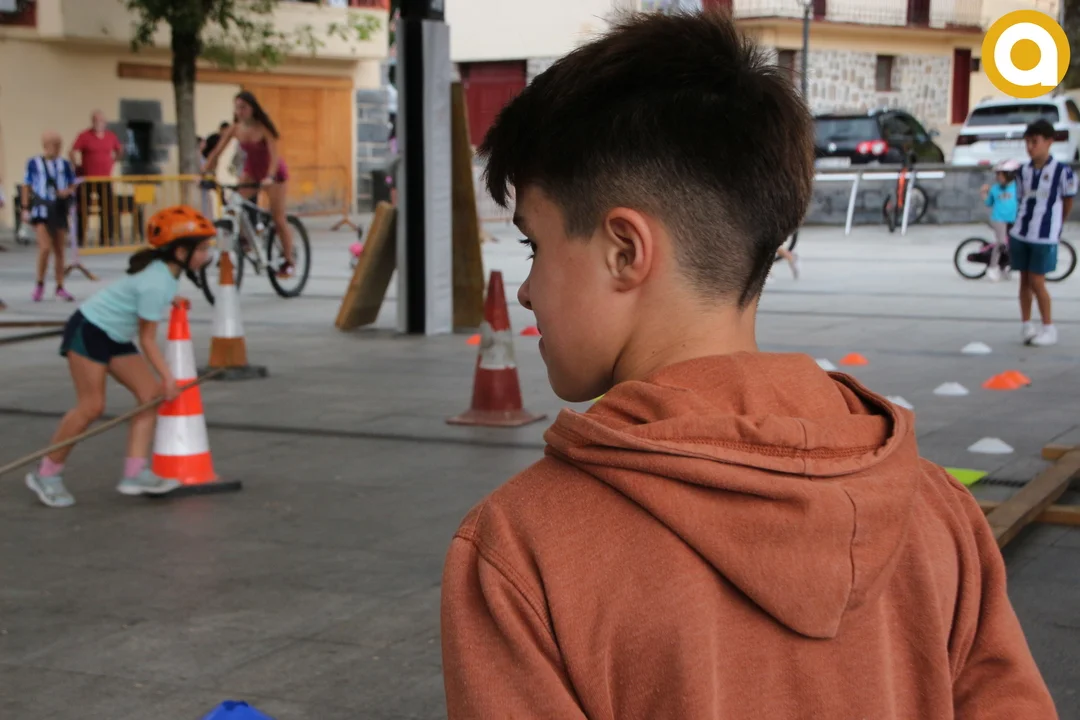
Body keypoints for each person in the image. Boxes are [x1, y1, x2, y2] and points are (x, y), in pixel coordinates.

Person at [440, 11, 1058, 719]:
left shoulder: (522, 549)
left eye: (534, 247)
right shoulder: (938, 512)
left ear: (623, 251)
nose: (525, 291)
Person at [24, 206, 215, 509]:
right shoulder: (157, 281)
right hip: (90, 330)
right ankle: (46, 474)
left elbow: (144, 294)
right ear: (180, 252)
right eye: (202, 248)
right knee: (91, 406)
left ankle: (134, 474)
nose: (207, 255)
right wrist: (168, 377)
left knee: (149, 396)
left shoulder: (165, 275)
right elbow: (148, 339)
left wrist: (171, 297)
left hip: (114, 335)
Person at [201, 92, 295, 278]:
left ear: (252, 108)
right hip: (252, 172)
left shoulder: (263, 128)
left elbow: (274, 155)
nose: (240, 111)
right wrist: (206, 172)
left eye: (243, 107)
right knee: (232, 205)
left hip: (273, 174)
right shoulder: (235, 129)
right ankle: (240, 241)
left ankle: (288, 259)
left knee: (278, 218)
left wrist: (270, 176)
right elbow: (217, 152)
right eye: (237, 108)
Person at [1010, 119, 1076, 347]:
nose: (1030, 147)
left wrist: (1056, 224)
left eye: (1035, 142)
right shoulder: (1022, 171)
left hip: (1044, 235)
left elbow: (1068, 201)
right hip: (1021, 232)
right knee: (1024, 281)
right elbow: (1021, 199)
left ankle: (1049, 327)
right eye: (1027, 142)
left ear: (1048, 142)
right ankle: (1026, 324)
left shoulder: (1062, 172)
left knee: (1037, 281)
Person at [21, 131, 78, 302]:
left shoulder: (64, 164)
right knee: (45, 248)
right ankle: (40, 283)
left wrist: (66, 192)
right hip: (42, 208)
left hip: (59, 208)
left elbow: (73, 184)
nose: (58, 148)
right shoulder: (34, 163)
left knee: (60, 250)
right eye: (54, 144)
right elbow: (26, 185)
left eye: (59, 145)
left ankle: (60, 286)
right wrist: (25, 208)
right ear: (46, 145)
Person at [70, 110, 124, 247]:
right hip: (87, 178)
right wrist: (77, 166)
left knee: (107, 208)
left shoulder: (111, 136)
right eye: (96, 120)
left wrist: (113, 161)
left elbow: (119, 150)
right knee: (83, 208)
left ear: (105, 122)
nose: (98, 123)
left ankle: (106, 238)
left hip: (105, 179)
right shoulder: (84, 136)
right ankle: (80, 237)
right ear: (92, 121)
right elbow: (72, 151)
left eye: (101, 120)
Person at [980, 159, 1021, 282]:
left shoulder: (1018, 188)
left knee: (1013, 244)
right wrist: (984, 194)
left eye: (1001, 174)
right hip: (998, 219)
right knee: (1001, 242)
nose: (998, 177)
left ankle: (1005, 266)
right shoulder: (995, 189)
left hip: (1013, 219)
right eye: (997, 174)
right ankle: (992, 268)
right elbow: (989, 203)